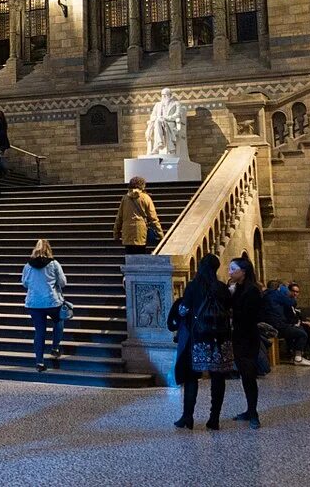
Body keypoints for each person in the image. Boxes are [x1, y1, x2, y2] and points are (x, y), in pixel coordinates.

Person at [170, 253, 233, 430]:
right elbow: (229, 308)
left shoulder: (194, 286)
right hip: (219, 338)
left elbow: (184, 310)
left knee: (191, 377)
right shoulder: (222, 287)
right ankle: (214, 419)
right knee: (218, 378)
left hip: (198, 338)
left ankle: (187, 417)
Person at [227, 253, 264, 429]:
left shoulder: (252, 290)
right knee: (244, 375)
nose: (230, 272)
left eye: (233, 269)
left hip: (248, 337)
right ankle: (250, 410)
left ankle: (254, 412)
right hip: (239, 336)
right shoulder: (238, 288)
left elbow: (250, 314)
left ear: (243, 271)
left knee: (249, 375)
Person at [21, 239, 67, 372]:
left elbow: (24, 283)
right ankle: (55, 347)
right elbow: (63, 282)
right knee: (58, 320)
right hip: (51, 301)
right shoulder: (54, 264)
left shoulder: (28, 266)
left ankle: (39, 362)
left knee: (39, 331)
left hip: (34, 303)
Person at [263, 282, 310, 366]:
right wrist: (285, 292)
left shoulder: (265, 294)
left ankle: (295, 354)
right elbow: (292, 303)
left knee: (295, 330)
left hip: (270, 325)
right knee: (302, 334)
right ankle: (298, 358)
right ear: (278, 288)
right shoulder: (276, 294)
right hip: (278, 326)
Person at [113, 176, 163, 254]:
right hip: (140, 231)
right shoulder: (145, 198)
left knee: (129, 255)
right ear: (142, 186)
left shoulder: (125, 198)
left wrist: (116, 233)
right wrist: (160, 234)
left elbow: (119, 217)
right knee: (140, 254)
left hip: (127, 231)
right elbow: (153, 218)